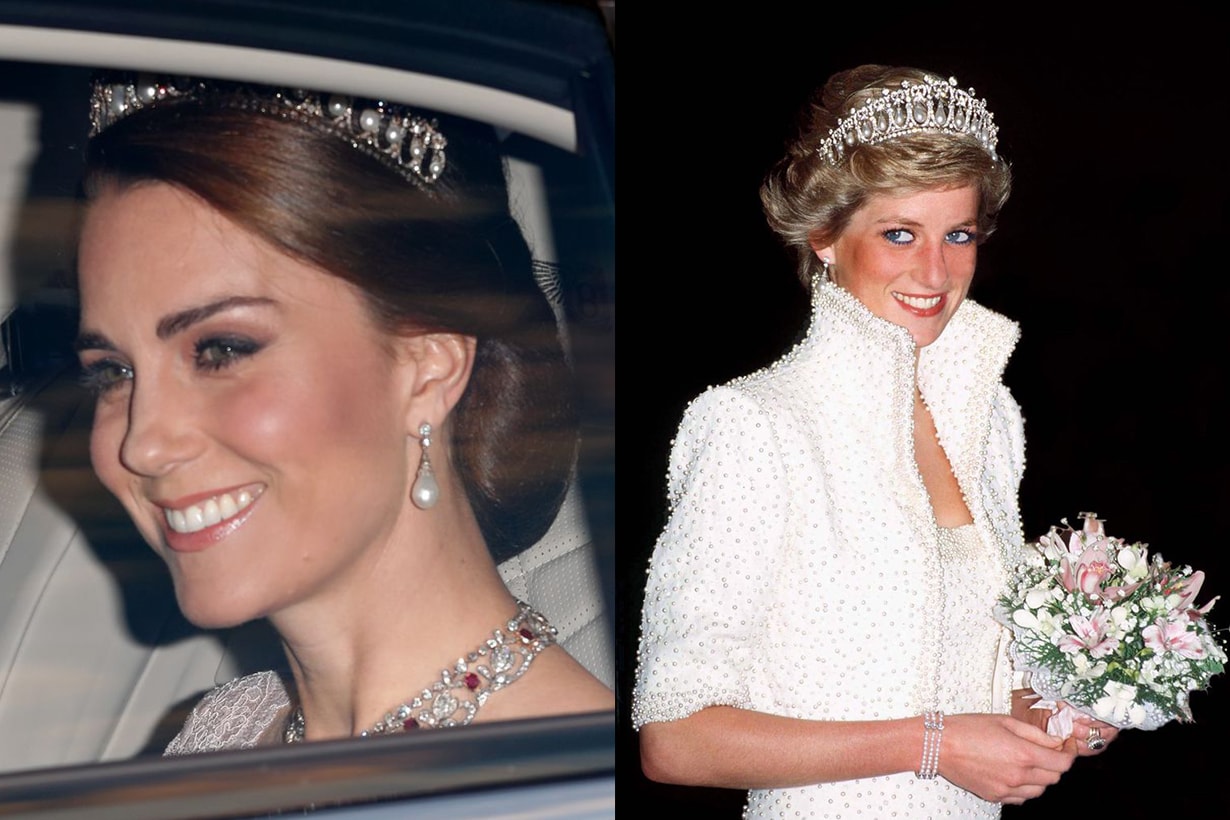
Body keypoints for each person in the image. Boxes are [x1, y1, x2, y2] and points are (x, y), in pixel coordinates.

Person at [74, 71, 613, 751]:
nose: (143, 445)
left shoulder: (563, 781)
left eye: (222, 349)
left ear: (429, 365)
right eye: (114, 372)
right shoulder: (219, 735)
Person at [632, 64, 1117, 817]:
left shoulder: (992, 422)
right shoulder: (754, 424)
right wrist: (936, 745)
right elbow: (676, 738)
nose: (936, 270)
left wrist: (1053, 713)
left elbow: (976, 678)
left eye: (959, 234)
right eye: (900, 234)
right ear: (825, 236)